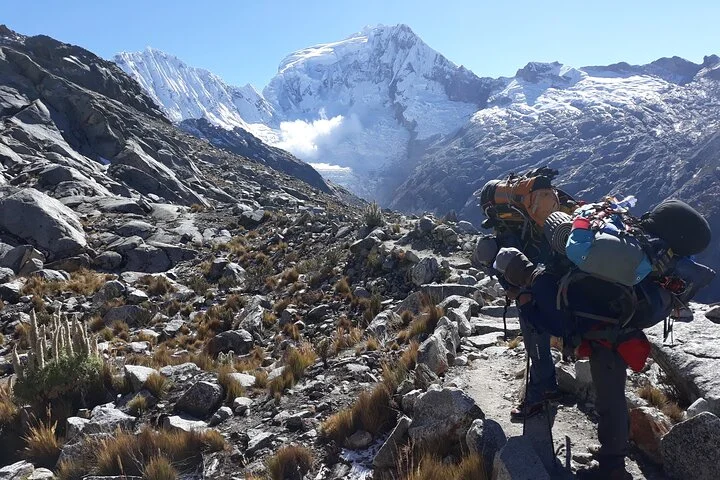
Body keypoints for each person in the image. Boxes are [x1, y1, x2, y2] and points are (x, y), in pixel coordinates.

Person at [493, 246, 673, 480]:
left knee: (611, 404)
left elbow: (557, 326)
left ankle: (613, 469)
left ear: (512, 275)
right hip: (610, 333)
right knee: (611, 400)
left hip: (607, 342)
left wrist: (527, 306)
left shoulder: (539, 285)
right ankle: (611, 453)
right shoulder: (545, 270)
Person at [474, 171, 574, 420]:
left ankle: (539, 396)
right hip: (555, 275)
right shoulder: (538, 215)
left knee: (535, 340)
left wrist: (517, 291)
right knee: (543, 335)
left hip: (531, 287)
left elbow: (507, 261)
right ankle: (549, 385)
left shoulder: (508, 226)